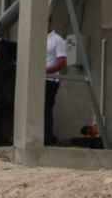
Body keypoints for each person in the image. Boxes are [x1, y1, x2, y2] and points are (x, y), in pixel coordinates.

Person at [45, 15, 67, 146]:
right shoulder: (36, 38)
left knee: (46, 110)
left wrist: (45, 70)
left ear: (50, 22)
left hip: (49, 80)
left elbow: (62, 62)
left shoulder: (57, 40)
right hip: (35, 80)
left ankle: (46, 139)